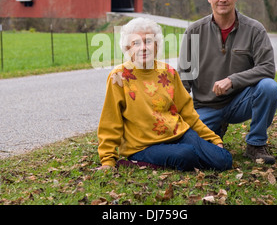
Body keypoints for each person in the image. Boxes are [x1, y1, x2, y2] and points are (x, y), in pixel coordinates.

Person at [97, 17, 232, 171]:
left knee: (224, 160)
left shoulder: (168, 72)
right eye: (136, 43)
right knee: (185, 155)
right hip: (144, 146)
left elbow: (188, 112)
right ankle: (137, 162)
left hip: (180, 134)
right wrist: (108, 160)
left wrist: (213, 139)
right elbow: (110, 120)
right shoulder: (119, 77)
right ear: (128, 48)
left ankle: (193, 157)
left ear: (156, 45)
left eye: (148, 41)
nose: (143, 48)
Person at [178, 0, 277, 164]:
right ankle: (216, 129)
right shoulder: (194, 31)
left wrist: (233, 80)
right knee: (189, 145)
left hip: (240, 102)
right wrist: (178, 114)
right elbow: (184, 79)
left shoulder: (254, 29)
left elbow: (267, 68)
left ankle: (256, 144)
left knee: (269, 87)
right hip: (205, 106)